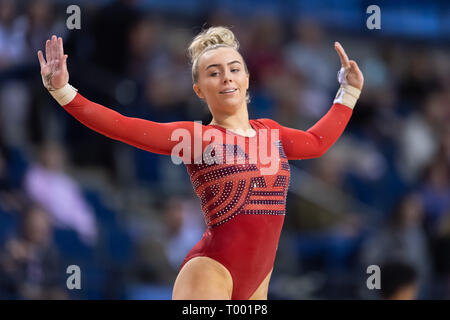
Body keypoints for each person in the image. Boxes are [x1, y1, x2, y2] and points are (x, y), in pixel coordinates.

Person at [37, 26, 363, 300]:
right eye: (214, 72)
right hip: (211, 271)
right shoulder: (196, 139)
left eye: (234, 69)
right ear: (198, 90)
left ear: (247, 79)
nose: (226, 78)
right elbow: (122, 126)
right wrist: (63, 91)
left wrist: (348, 91)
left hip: (259, 280)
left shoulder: (272, 133)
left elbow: (318, 142)